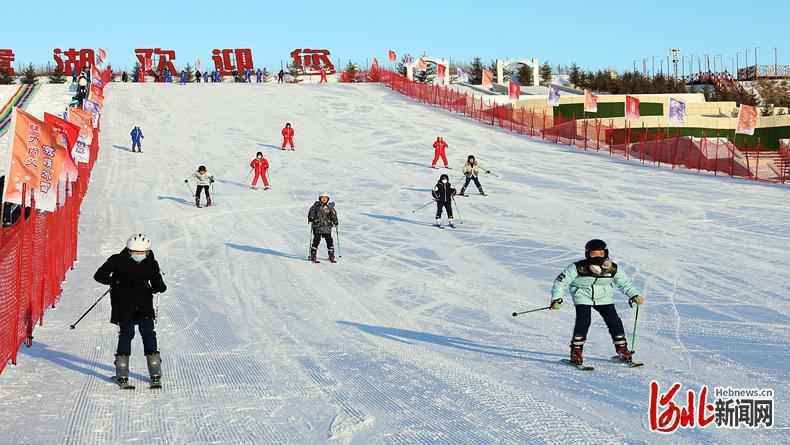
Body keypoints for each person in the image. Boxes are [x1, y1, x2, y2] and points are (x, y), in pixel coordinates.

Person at [550, 239, 644, 366]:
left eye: (601, 253)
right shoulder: (578, 267)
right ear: (588, 254)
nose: (597, 257)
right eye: (594, 254)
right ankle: (576, 352)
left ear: (605, 253)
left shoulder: (611, 268)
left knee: (614, 321)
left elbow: (624, 283)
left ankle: (622, 349)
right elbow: (561, 282)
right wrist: (557, 298)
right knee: (584, 321)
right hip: (582, 296)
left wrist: (634, 295)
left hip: (604, 298)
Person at [93, 233, 167, 388]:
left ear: (147, 251)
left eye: (141, 253)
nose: (139, 256)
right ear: (128, 250)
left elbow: (100, 276)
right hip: (137, 305)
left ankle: (123, 376)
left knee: (131, 334)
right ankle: (154, 375)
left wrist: (114, 281)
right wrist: (155, 287)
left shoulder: (118, 260)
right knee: (145, 334)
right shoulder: (150, 263)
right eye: (135, 253)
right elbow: (160, 286)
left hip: (125, 305)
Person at [308, 192, 339, 263]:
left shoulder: (330, 207)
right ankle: (313, 253)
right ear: (320, 199)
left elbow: (333, 215)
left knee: (329, 240)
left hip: (327, 227)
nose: (324, 199)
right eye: (322, 198)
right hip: (317, 226)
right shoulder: (316, 206)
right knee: (316, 240)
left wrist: (335, 221)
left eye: (326, 198)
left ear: (328, 199)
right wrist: (311, 217)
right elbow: (311, 212)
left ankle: (331, 254)